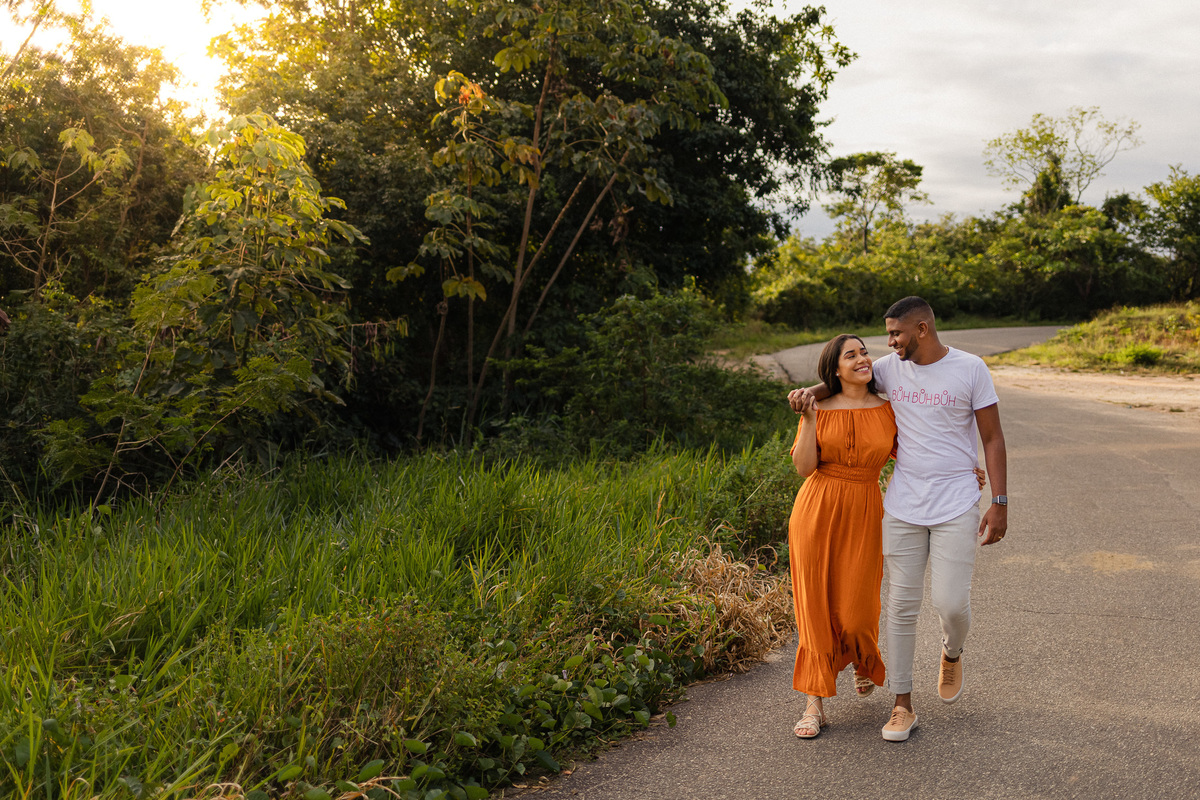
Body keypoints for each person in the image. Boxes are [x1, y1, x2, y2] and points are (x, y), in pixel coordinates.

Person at [793, 296, 1008, 743]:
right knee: (898, 606)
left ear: (922, 329)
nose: (885, 345)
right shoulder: (888, 368)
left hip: (945, 502)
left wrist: (997, 497)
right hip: (888, 505)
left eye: (895, 334)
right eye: (884, 337)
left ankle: (951, 649)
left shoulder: (967, 369)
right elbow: (835, 386)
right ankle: (901, 705)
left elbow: (986, 436)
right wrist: (809, 394)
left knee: (948, 604)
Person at [785, 333, 895, 738]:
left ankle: (859, 659)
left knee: (856, 612)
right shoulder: (819, 408)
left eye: (865, 352)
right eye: (852, 355)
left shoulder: (888, 409)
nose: (863, 359)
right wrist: (811, 418)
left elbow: (919, 454)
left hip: (865, 508)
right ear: (835, 369)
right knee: (814, 608)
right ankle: (814, 704)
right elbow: (803, 467)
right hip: (816, 509)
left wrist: (960, 470)